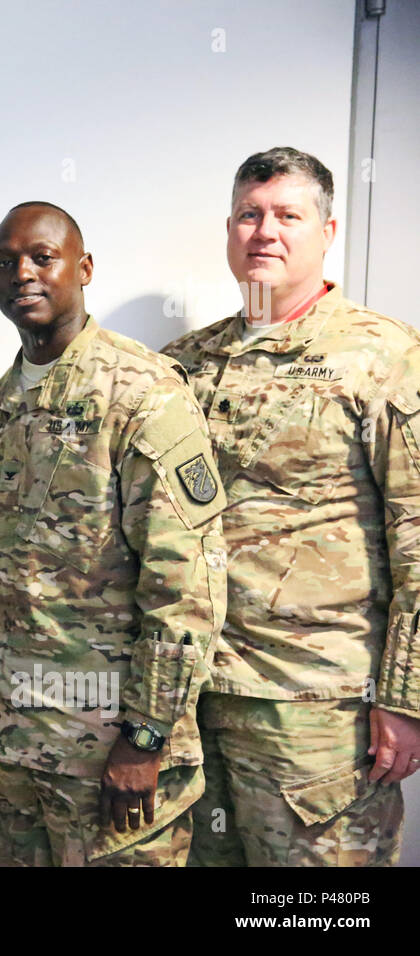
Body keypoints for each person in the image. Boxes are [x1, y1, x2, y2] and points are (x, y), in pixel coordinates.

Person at [0, 202, 227, 866]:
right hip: (14, 753)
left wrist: (145, 741)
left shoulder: (145, 395)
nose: (22, 274)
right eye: (6, 263)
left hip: (108, 759)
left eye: (41, 257)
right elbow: (26, 529)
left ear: (83, 269)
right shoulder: (4, 403)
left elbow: (188, 590)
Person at [162, 147, 420, 866]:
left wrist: (408, 698)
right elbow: (107, 486)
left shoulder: (382, 357)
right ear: (228, 228)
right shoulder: (188, 361)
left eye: (287, 215)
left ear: (328, 231)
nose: (264, 232)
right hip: (196, 698)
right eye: (250, 214)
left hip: (317, 712)